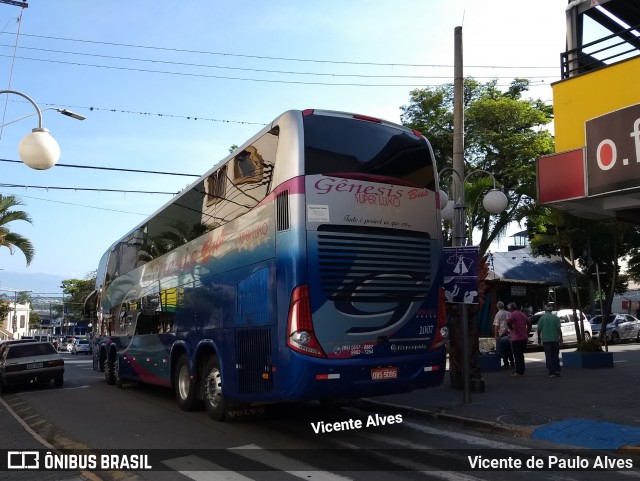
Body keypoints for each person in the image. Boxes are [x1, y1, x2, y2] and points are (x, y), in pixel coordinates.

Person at [537, 303, 563, 378]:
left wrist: (539, 338)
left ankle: (551, 371)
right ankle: (557, 369)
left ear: (545, 309)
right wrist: (561, 339)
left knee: (548, 356)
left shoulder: (542, 318)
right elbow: (559, 330)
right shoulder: (556, 318)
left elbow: (539, 329)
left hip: (546, 340)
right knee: (555, 355)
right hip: (555, 339)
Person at [506, 302, 529, 376]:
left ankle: (519, 371)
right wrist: (527, 332)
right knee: (520, 354)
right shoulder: (522, 314)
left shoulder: (513, 314)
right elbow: (529, 323)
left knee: (517, 355)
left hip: (516, 338)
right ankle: (521, 369)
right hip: (524, 337)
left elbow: (508, 321)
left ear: (510, 308)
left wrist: (512, 328)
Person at [492, 301, 514, 369]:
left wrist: (496, 336)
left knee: (503, 350)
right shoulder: (508, 313)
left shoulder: (498, 314)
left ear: (497, 307)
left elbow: (496, 325)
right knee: (509, 349)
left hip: (502, 334)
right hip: (509, 333)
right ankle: (512, 363)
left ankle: (506, 363)